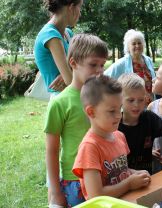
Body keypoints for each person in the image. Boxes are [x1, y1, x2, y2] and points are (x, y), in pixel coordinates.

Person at [45, 34, 108, 207]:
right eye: (93, 64)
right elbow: (51, 151)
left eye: (102, 65)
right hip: (75, 181)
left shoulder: (103, 97)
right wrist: (56, 191)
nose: (99, 70)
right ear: (73, 63)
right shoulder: (60, 103)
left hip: (104, 174)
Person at [72, 75, 151, 200]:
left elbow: (120, 171)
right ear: (91, 112)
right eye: (111, 111)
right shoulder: (89, 147)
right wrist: (129, 184)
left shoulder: (119, 136)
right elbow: (95, 195)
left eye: (119, 108)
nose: (119, 115)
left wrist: (135, 174)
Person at [117, 73, 162, 174]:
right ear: (119, 100)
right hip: (125, 183)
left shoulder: (149, 118)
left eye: (141, 100)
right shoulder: (114, 126)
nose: (136, 105)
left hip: (148, 180)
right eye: (131, 100)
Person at [34, 0, 83, 95]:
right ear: (71, 7)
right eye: (80, 8)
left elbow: (81, 63)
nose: (80, 14)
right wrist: (71, 72)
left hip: (71, 95)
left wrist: (69, 71)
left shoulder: (68, 33)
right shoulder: (50, 35)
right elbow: (70, 81)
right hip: (63, 100)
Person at [104, 29, 156, 105]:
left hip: (151, 105)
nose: (137, 46)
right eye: (134, 44)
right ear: (128, 47)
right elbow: (105, 78)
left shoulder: (148, 60)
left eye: (139, 43)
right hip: (133, 107)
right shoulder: (122, 63)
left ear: (143, 44)